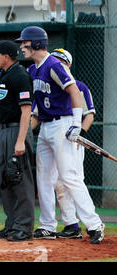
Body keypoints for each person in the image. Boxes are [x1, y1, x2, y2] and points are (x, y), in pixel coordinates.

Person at [15, 26, 104, 244]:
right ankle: (47, 225)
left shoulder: (53, 64)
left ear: (36, 44)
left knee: (69, 177)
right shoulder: (33, 70)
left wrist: (76, 124)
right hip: (46, 126)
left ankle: (94, 224)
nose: (21, 46)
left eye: (25, 43)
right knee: (44, 179)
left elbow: (74, 90)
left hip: (62, 124)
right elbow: (33, 109)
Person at [32, 48, 96, 240]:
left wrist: (79, 132)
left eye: (61, 60)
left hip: (72, 134)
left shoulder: (79, 86)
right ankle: (70, 225)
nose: (57, 63)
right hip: (49, 128)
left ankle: (90, 223)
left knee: (70, 180)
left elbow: (89, 114)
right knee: (57, 183)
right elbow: (35, 114)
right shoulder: (42, 79)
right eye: (55, 59)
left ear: (68, 65)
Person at [0, 40, 35, 241]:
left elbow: (26, 110)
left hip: (16, 132)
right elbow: (9, 101)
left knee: (19, 177)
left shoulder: (20, 75)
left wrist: (20, 141)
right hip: (4, 131)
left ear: (6, 56)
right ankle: (12, 223)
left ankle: (23, 226)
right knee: (6, 177)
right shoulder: (6, 74)